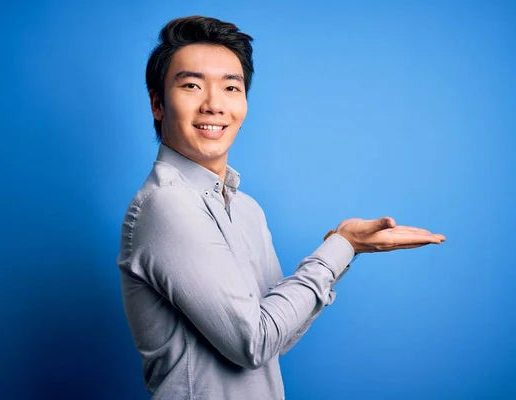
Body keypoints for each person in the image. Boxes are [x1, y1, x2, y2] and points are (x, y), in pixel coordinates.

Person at [117, 15, 446, 400]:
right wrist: (342, 247)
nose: (213, 105)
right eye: (191, 85)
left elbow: (278, 338)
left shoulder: (246, 209)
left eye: (230, 87)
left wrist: (340, 250)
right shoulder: (165, 204)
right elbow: (252, 342)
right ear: (158, 103)